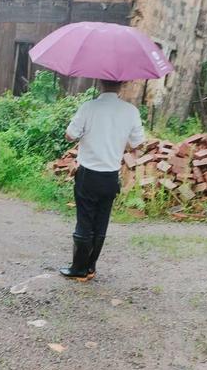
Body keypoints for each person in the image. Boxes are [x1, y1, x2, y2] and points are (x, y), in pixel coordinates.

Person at [60, 80, 145, 281]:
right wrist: (117, 141)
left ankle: (78, 268)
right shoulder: (131, 111)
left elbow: (69, 136)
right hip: (110, 177)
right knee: (101, 222)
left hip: (88, 175)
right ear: (122, 85)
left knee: (85, 220)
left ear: (99, 83)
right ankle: (90, 268)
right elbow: (138, 143)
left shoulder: (89, 107)